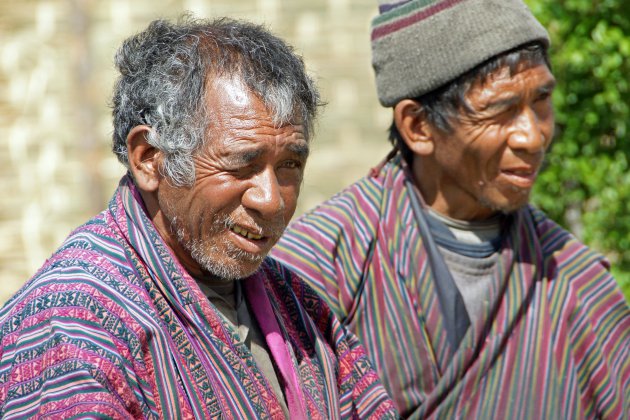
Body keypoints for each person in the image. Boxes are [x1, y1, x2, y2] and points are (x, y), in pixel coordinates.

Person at [0, 17, 398, 419]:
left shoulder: (297, 305)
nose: (272, 199)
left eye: (290, 165)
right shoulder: (75, 323)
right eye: (242, 166)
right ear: (150, 160)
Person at [272, 0, 630, 418]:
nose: (533, 137)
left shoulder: (578, 284)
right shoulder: (314, 272)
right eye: (501, 110)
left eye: (542, 100)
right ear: (418, 127)